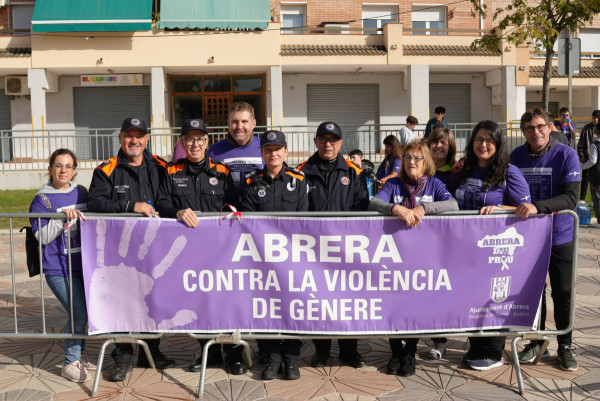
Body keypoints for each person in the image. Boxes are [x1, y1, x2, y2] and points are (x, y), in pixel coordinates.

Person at [87, 117, 175, 382]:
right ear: (120, 139)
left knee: (152, 299)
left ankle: (153, 353)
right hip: (119, 252)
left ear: (147, 139)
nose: (134, 141)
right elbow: (95, 202)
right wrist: (130, 207)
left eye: (139, 136)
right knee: (122, 303)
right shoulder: (107, 169)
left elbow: (168, 200)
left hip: (154, 247)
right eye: (129, 136)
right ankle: (123, 356)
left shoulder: (161, 166)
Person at [155, 118, 239, 373]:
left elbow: (235, 207)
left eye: (200, 139)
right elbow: (162, 202)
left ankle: (233, 354)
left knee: (227, 301)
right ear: (182, 142)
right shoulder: (171, 171)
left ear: (207, 142)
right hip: (188, 253)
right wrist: (177, 211)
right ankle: (209, 353)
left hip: (221, 250)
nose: (195, 144)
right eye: (189, 139)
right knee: (200, 302)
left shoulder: (222, 172)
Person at [368, 140, 458, 377]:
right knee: (394, 304)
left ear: (426, 161)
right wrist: (396, 209)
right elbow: (374, 203)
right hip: (394, 258)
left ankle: (410, 352)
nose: (411, 162)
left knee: (415, 305)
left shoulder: (434, 184)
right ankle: (395, 350)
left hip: (422, 258)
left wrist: (424, 208)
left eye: (417, 158)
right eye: (407, 157)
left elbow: (453, 205)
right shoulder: (395, 184)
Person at [454, 121, 531, 371]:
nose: (483, 144)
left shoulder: (509, 172)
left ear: (497, 145)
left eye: (489, 140)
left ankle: (493, 349)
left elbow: (527, 209)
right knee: (471, 297)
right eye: (479, 139)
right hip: (467, 248)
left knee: (494, 298)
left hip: (497, 250)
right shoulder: (465, 169)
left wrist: (500, 209)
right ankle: (475, 345)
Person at [511, 107, 580, 371]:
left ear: (550, 127)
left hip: (560, 235)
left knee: (562, 292)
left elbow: (571, 198)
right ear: (523, 132)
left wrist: (537, 207)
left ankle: (565, 345)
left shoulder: (566, 155)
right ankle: (536, 341)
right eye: (529, 128)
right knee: (533, 293)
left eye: (540, 126)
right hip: (527, 239)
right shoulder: (516, 156)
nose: (535, 132)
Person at [297, 121, 369, 369]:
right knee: (318, 301)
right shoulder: (301, 171)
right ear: (315, 142)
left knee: (348, 300)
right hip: (313, 250)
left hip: (346, 249)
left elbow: (362, 207)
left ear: (340, 143)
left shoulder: (353, 172)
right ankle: (322, 351)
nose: (328, 144)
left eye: (333, 140)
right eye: (323, 139)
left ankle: (349, 351)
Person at [242, 130, 308, 380]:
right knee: (264, 308)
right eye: (268, 149)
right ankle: (271, 357)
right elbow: (247, 222)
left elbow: (304, 220)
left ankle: (291, 358)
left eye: (278, 149)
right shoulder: (251, 182)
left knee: (293, 307)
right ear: (262, 153)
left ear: (286, 152)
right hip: (262, 260)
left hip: (292, 259)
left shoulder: (298, 180)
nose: (273, 153)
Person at [30, 148, 91, 383]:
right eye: (58, 165)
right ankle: (69, 362)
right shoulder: (42, 199)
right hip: (58, 268)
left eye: (68, 166)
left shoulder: (82, 193)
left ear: (74, 170)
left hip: (85, 264)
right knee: (77, 312)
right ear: (50, 169)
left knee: (83, 313)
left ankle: (79, 352)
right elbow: (42, 237)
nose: (63, 170)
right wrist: (62, 218)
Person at [207, 101, 264, 199]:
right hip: (225, 209)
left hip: (257, 209)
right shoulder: (213, 151)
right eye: (235, 122)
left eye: (244, 121)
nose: (239, 127)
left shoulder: (265, 148)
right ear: (228, 123)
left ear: (253, 124)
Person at [577, 110, 600, 201]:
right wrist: (581, 154)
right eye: (594, 117)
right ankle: (582, 199)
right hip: (587, 159)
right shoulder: (586, 128)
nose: (595, 119)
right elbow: (580, 143)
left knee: (596, 183)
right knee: (585, 180)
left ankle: (596, 201)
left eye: (597, 118)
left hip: (598, 163)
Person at [579, 119, 600, 219]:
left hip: (596, 175)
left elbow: (592, 161)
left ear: (597, 132)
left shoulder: (595, 145)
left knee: (597, 198)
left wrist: (581, 167)